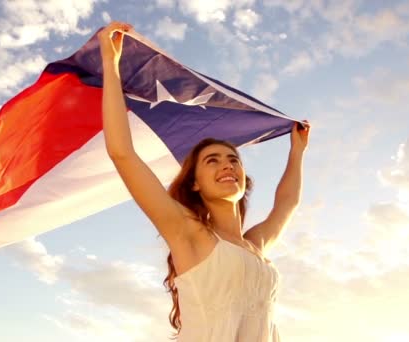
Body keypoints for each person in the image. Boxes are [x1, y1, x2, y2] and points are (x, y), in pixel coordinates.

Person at [98, 21, 310, 341]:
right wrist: (110, 64)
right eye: (212, 161)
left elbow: (287, 203)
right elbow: (122, 154)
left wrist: (297, 151)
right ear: (195, 183)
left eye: (233, 159)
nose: (227, 165)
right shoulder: (188, 232)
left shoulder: (256, 245)